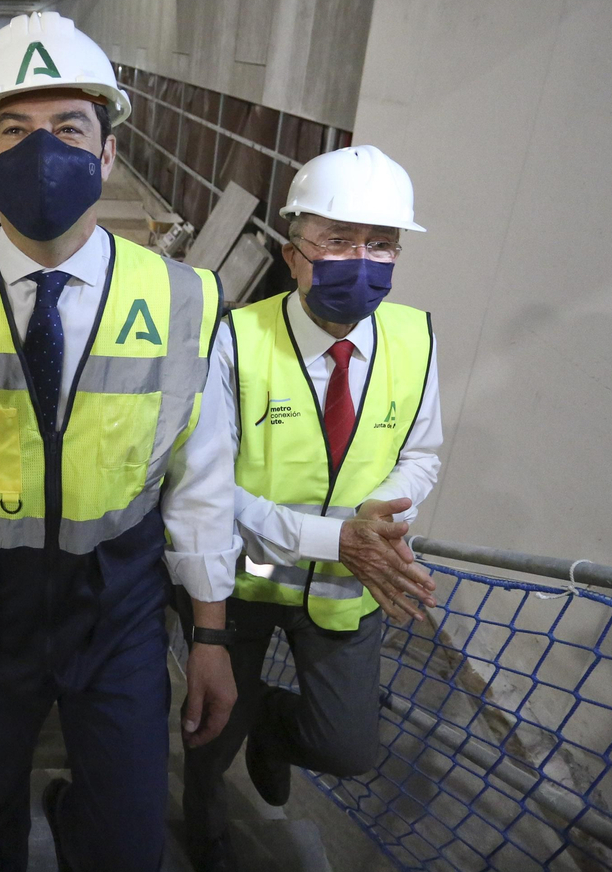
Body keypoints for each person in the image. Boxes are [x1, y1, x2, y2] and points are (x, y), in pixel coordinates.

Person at [0, 12, 413, 872]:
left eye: (68, 128)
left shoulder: (181, 298)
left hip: (119, 615)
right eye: (14, 129)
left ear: (108, 155)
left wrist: (207, 635)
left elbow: (197, 487)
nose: (40, 150)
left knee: (129, 843)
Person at [180, 145, 442, 872]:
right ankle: (204, 824)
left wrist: (387, 515)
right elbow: (206, 487)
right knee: (209, 727)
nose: (361, 261)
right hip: (242, 577)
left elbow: (424, 454)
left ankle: (270, 727)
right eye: (337, 240)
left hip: (344, 585)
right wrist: (335, 537)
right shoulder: (235, 340)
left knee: (347, 748)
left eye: (381, 244)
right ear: (294, 252)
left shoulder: (416, 341)